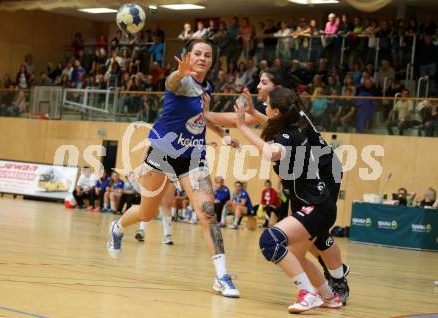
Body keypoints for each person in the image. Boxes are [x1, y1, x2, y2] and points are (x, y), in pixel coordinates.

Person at [202, 68, 350, 305]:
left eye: (263, 83)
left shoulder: (289, 119)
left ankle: (334, 280)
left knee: (308, 237)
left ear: (278, 89)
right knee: (299, 244)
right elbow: (273, 126)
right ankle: (326, 293)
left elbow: (263, 137)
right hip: (307, 182)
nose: (258, 87)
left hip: (324, 174)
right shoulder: (286, 118)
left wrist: (207, 114)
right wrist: (248, 114)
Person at [106, 39, 240, 298]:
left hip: (193, 157)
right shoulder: (180, 81)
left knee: (207, 213)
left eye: (207, 55)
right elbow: (171, 82)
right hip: (162, 153)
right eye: (197, 54)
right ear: (188, 56)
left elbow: (204, 117)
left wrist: (223, 135)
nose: (202, 58)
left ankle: (222, 276)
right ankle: (118, 227)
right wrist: (180, 71)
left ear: (212, 60)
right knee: (146, 213)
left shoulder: (207, 88)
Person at [233, 86, 342, 313]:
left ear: (277, 112)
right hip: (318, 204)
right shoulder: (292, 131)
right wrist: (253, 112)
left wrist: (242, 126)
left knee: (270, 241)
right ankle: (329, 297)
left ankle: (307, 292)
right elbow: (272, 133)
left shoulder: (287, 136)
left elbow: (271, 152)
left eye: (268, 104)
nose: (265, 106)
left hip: (316, 206)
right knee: (296, 256)